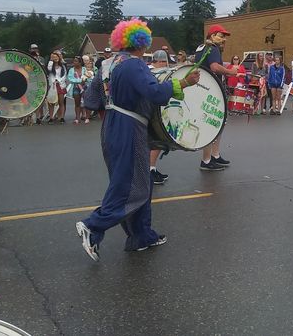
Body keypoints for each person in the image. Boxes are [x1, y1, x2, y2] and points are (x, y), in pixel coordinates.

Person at [76, 19, 200, 261]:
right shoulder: (135, 65)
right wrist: (184, 82)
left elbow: (91, 100)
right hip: (129, 127)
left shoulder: (107, 64)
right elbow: (156, 92)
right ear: (142, 43)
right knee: (132, 185)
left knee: (137, 180)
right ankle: (93, 226)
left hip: (111, 126)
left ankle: (141, 236)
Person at [195, 24, 239, 171]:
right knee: (211, 123)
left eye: (224, 37)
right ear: (211, 36)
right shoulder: (212, 48)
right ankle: (206, 161)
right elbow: (214, 67)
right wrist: (230, 72)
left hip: (203, 88)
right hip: (212, 91)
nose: (223, 39)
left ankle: (215, 155)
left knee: (217, 123)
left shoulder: (201, 48)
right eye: (221, 35)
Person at [148, 50, 172, 185]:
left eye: (165, 61)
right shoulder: (150, 72)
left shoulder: (165, 72)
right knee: (154, 142)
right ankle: (149, 171)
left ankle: (152, 168)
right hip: (150, 113)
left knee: (158, 143)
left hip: (158, 112)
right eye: (160, 61)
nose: (163, 63)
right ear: (154, 61)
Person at [47, 51, 67, 123]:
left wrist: (59, 80)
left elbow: (64, 75)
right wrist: (51, 60)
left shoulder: (62, 66)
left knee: (61, 102)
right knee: (51, 102)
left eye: (57, 57)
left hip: (60, 85)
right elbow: (49, 69)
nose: (55, 58)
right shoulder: (50, 66)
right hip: (52, 85)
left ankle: (61, 117)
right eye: (54, 57)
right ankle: (51, 117)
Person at [29, 43, 47, 124]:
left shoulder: (41, 59)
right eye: (33, 49)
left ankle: (39, 116)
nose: (34, 50)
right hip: (31, 81)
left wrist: (38, 58)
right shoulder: (27, 58)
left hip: (40, 80)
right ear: (30, 50)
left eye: (36, 48)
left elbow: (43, 68)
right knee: (32, 99)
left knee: (40, 98)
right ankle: (32, 116)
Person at [66, 56, 87, 124]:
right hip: (76, 88)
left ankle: (85, 116)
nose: (74, 62)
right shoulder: (71, 70)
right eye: (74, 61)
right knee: (77, 103)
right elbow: (70, 79)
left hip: (84, 87)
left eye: (76, 61)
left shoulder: (84, 69)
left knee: (84, 102)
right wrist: (80, 80)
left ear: (80, 62)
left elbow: (88, 77)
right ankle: (77, 117)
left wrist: (84, 80)